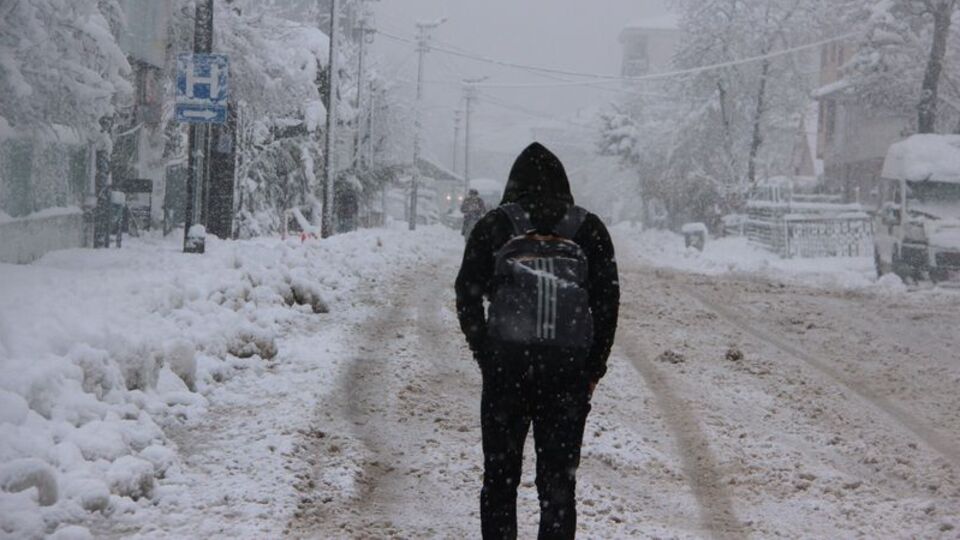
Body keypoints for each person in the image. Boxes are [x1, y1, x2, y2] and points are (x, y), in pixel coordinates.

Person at [455, 142, 620, 539]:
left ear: (514, 183)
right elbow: (608, 302)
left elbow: (466, 292)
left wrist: (487, 354)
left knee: (499, 480)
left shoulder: (494, 225)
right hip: (567, 378)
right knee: (558, 488)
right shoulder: (588, 228)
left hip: (507, 373)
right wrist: (592, 368)